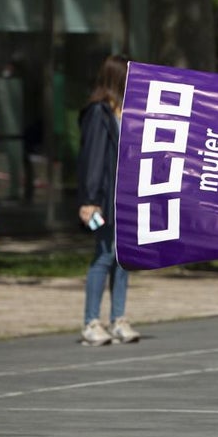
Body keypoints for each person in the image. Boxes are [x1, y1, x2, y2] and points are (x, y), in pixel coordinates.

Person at [78, 55, 139, 345]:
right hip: (104, 197)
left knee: (122, 258)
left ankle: (118, 318)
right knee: (103, 256)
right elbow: (93, 158)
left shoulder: (125, 111)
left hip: (125, 197)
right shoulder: (99, 112)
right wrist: (90, 199)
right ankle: (91, 321)